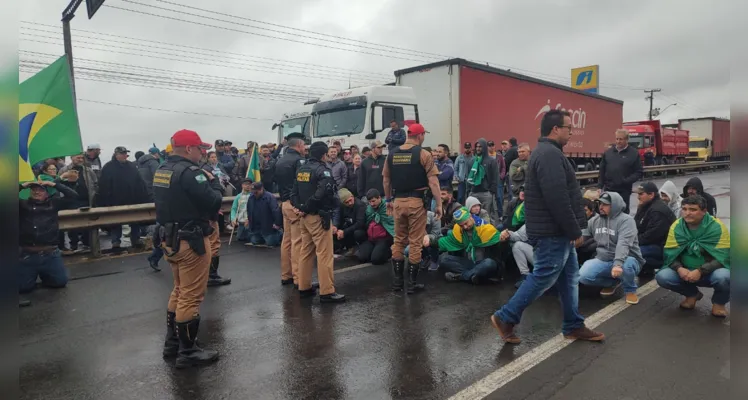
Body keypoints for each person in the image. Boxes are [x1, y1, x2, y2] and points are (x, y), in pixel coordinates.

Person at [491, 109, 604, 345]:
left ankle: (573, 325)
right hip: (552, 232)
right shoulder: (549, 155)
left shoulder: (548, 153)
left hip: (556, 231)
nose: (571, 133)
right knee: (543, 276)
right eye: (568, 128)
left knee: (569, 277)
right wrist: (574, 230)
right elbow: (557, 197)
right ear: (555, 129)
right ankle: (505, 317)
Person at [153, 129, 224, 368]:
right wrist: (215, 184)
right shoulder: (192, 173)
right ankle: (188, 351)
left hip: (170, 238)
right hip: (190, 238)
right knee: (191, 296)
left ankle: (172, 343)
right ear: (189, 149)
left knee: (179, 290)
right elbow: (213, 201)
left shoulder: (162, 169)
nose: (203, 153)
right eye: (201, 149)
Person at [382, 123, 442, 293]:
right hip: (416, 202)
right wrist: (438, 204)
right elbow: (433, 182)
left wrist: (388, 201)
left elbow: (386, 180)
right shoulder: (424, 154)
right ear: (420, 135)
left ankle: (397, 283)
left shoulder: (392, 154)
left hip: (398, 202)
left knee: (399, 240)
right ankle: (412, 284)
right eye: (424, 135)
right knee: (415, 242)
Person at [656, 195, 730, 317]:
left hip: (710, 272)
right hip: (685, 271)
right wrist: (679, 268)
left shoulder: (717, 227)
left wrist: (701, 271)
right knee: (663, 276)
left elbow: (724, 257)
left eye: (692, 209)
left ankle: (719, 303)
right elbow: (669, 253)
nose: (687, 213)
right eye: (684, 209)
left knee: (724, 276)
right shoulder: (676, 226)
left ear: (704, 211)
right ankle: (692, 294)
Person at [291, 141, 346, 302]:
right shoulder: (323, 171)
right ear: (323, 155)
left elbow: (293, 192)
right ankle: (327, 291)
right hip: (318, 216)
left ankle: (304, 286)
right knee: (324, 254)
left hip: (304, 217)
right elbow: (322, 194)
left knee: (306, 252)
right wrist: (307, 207)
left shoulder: (302, 169)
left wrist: (300, 207)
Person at [578, 192, 645, 304]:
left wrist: (618, 264)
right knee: (583, 276)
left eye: (605, 204)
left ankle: (630, 290)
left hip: (627, 258)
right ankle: (612, 283)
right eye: (600, 204)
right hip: (604, 259)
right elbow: (582, 235)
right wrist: (570, 242)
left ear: (614, 205)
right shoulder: (595, 220)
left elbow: (623, 244)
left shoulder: (626, 221)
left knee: (627, 265)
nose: (600, 207)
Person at [19, 179, 79, 293]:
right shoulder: (22, 205)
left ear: (47, 193)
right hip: (28, 255)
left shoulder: (54, 203)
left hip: (50, 254)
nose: (37, 192)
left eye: (40, 190)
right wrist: (22, 185)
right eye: (34, 190)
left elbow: (73, 196)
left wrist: (54, 184)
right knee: (22, 288)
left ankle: (45, 274)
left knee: (60, 282)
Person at [424, 207, 501, 284]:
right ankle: (474, 275)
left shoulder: (484, 227)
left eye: (466, 223)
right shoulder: (459, 230)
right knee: (444, 259)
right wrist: (430, 242)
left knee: (490, 263)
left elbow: (498, 241)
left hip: (484, 263)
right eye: (461, 225)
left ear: (470, 216)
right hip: (470, 263)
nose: (465, 227)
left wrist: (503, 239)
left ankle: (461, 276)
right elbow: (447, 241)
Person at [98, 146, 149, 249]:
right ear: (116, 155)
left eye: (126, 153)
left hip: (132, 200)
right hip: (115, 201)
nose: (125, 155)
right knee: (115, 222)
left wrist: (143, 196)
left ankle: (136, 239)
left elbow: (139, 182)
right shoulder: (108, 167)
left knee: (135, 221)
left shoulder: (131, 166)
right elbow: (103, 185)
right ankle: (115, 242)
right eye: (122, 154)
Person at [274, 135, 307, 286]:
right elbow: (302, 183)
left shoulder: (280, 160)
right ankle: (298, 278)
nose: (305, 148)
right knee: (297, 242)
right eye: (304, 145)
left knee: (286, 241)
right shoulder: (299, 160)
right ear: (299, 145)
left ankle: (286, 274)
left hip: (284, 202)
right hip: (295, 204)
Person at [598, 129, 643, 214]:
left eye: (621, 139)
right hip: (609, 189)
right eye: (617, 139)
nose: (618, 141)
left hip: (624, 191)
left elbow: (639, 172)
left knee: (623, 213)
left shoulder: (633, 153)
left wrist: (626, 181)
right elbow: (602, 170)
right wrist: (600, 186)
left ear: (626, 140)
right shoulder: (608, 153)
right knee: (608, 212)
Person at [633, 182, 677, 270]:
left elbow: (650, 237)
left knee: (633, 252)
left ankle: (660, 266)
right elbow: (634, 227)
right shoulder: (644, 206)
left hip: (663, 247)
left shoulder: (658, 211)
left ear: (651, 195)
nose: (638, 197)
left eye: (641, 194)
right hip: (651, 243)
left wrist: (631, 243)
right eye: (638, 194)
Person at [467, 139, 500, 227]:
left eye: (480, 147)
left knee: (487, 215)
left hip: (486, 193)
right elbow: (468, 177)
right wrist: (469, 190)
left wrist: (492, 192)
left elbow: (495, 177)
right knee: (471, 216)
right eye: (477, 147)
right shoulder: (471, 161)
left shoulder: (491, 161)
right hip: (473, 193)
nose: (478, 149)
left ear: (484, 148)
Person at [358, 189, 395, 265]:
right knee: (362, 258)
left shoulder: (387, 207)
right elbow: (366, 223)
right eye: (370, 202)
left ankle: (389, 251)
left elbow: (392, 223)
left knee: (376, 260)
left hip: (384, 238)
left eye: (373, 201)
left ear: (379, 198)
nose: (371, 204)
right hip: (371, 238)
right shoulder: (369, 209)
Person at [246, 182, 283, 247]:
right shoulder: (251, 197)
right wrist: (249, 220)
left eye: (256, 192)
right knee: (254, 241)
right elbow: (249, 210)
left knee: (271, 242)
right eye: (253, 192)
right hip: (256, 227)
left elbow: (275, 211)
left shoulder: (270, 197)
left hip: (268, 227)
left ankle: (279, 234)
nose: (254, 194)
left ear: (261, 189)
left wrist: (277, 223)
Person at [332, 188, 367, 255]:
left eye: (350, 200)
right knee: (335, 230)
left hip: (360, 229)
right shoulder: (342, 206)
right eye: (346, 202)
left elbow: (360, 223)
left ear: (352, 196)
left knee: (357, 233)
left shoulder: (360, 205)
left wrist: (344, 232)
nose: (350, 203)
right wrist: (336, 227)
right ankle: (342, 246)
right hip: (349, 225)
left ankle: (358, 246)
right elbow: (340, 219)